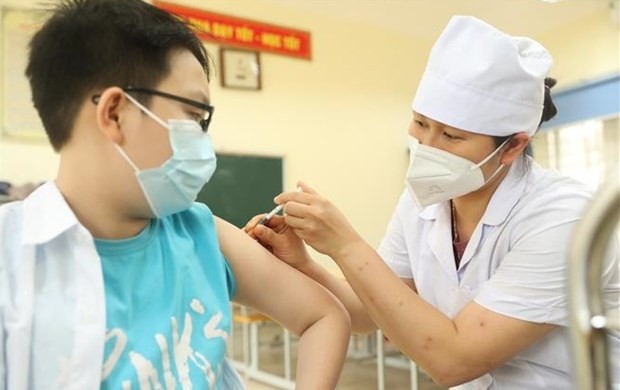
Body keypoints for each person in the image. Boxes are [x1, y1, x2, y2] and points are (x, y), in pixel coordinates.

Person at [246, 15, 620, 389]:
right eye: (420, 123)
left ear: (513, 147)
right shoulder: (424, 202)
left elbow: (453, 360)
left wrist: (345, 244)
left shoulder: (563, 217)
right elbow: (366, 314)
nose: (427, 147)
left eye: (452, 136)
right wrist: (306, 264)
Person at [0, 0, 351, 389]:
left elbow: (325, 317)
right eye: (194, 116)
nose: (204, 141)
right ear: (115, 113)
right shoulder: (10, 258)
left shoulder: (201, 232)